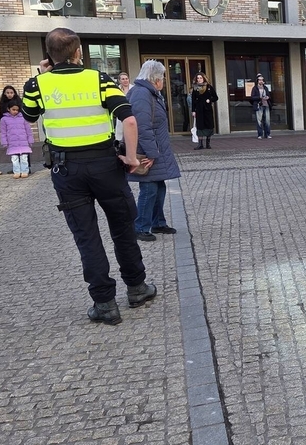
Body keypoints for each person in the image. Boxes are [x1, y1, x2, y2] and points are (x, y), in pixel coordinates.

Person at [20, 28, 156, 326]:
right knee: (122, 228)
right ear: (79, 53)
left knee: (87, 237)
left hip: (67, 171)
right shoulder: (100, 80)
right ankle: (136, 288)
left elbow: (29, 116)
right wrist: (131, 158)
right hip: (106, 166)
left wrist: (43, 75)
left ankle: (105, 303)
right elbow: (129, 120)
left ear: (50, 55)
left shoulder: (37, 84)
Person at [128, 60, 182, 242]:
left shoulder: (149, 93)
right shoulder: (142, 94)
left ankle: (158, 222)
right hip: (147, 152)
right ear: (156, 78)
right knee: (149, 189)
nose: (164, 81)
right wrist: (151, 153)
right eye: (163, 77)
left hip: (156, 150)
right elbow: (143, 128)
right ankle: (140, 227)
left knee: (158, 187)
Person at [0, 102, 34, 178]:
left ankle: (25, 171)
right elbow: (3, 132)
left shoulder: (23, 118)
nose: (15, 111)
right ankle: (17, 172)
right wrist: (4, 141)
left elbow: (28, 130)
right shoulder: (4, 119)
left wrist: (30, 139)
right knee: (14, 158)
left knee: (24, 158)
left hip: (23, 142)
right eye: (13, 109)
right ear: (8, 109)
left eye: (17, 110)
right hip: (12, 143)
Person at [190, 72, 219, 149]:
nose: (199, 80)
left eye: (200, 78)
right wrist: (193, 111)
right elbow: (193, 100)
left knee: (209, 125)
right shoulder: (195, 88)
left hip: (207, 109)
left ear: (204, 78)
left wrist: (210, 100)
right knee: (200, 126)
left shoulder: (209, 87)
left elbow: (216, 97)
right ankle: (200, 144)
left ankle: (208, 143)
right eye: (198, 78)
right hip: (199, 109)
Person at [250, 74, 272, 139]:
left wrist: (268, 97)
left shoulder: (266, 88)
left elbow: (269, 96)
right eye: (259, 80)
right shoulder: (255, 88)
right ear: (257, 81)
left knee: (267, 120)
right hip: (259, 105)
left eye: (262, 80)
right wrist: (259, 97)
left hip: (266, 105)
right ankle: (260, 134)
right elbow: (252, 97)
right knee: (259, 121)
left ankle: (267, 134)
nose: (261, 81)